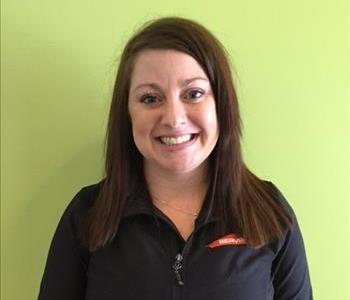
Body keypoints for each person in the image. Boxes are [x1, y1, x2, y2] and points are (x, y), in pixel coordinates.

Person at [38, 17, 313, 300]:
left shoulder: (269, 212)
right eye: (150, 98)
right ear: (127, 113)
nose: (173, 118)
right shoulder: (88, 215)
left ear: (221, 105)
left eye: (193, 94)